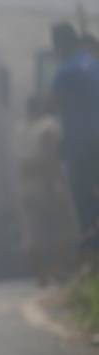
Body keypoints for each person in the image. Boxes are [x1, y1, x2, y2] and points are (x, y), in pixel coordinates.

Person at [16, 96, 78, 286]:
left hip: (26, 184)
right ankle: (59, 271)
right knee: (57, 229)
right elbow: (51, 154)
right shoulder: (48, 127)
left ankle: (40, 275)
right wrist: (56, 182)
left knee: (34, 232)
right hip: (46, 183)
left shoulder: (20, 129)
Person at [51, 22, 99, 259]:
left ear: (60, 43)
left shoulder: (65, 71)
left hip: (80, 144)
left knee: (83, 198)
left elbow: (54, 104)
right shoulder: (92, 63)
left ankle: (92, 247)